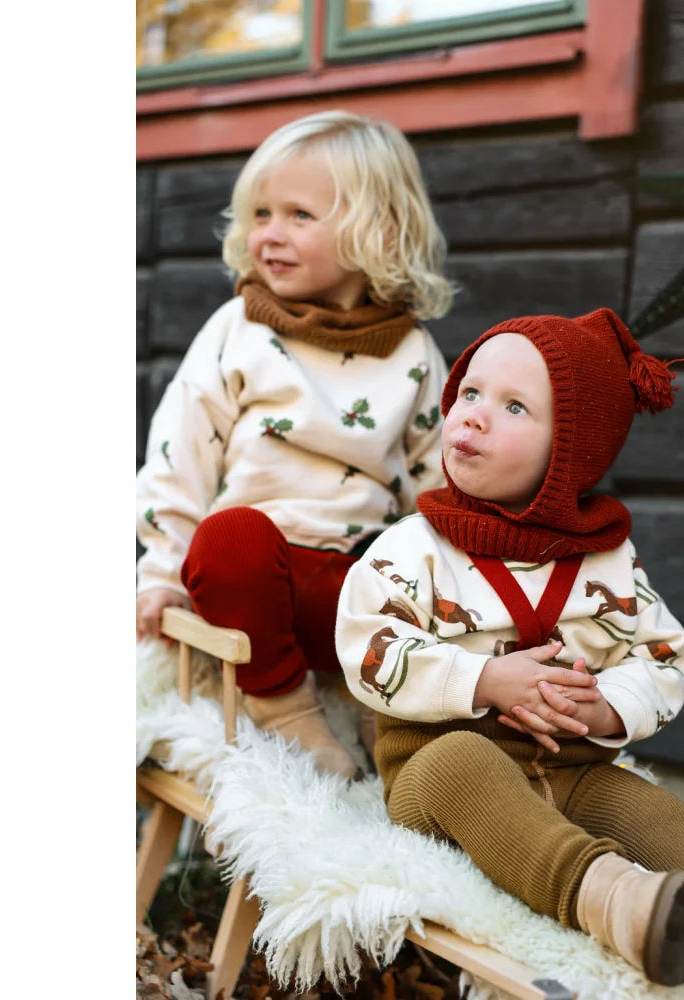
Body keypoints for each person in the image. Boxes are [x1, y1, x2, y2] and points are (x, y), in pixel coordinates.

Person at [335, 308, 684, 997]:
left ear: (570, 452)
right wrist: (484, 679)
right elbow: (368, 643)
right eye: (469, 392)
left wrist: (606, 709)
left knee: (649, 809)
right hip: (439, 768)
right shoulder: (416, 547)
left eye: (513, 406)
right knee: (464, 764)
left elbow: (663, 654)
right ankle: (614, 900)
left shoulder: (608, 560)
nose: (474, 415)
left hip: (572, 767)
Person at [136, 110, 454, 779]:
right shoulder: (239, 330)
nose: (268, 235)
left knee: (414, 562)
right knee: (229, 539)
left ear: (377, 230)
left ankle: (383, 703)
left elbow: (438, 478)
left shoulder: (413, 352)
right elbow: (179, 453)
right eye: (260, 213)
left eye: (299, 215)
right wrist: (162, 574)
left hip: (354, 586)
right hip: (253, 583)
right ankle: (285, 707)